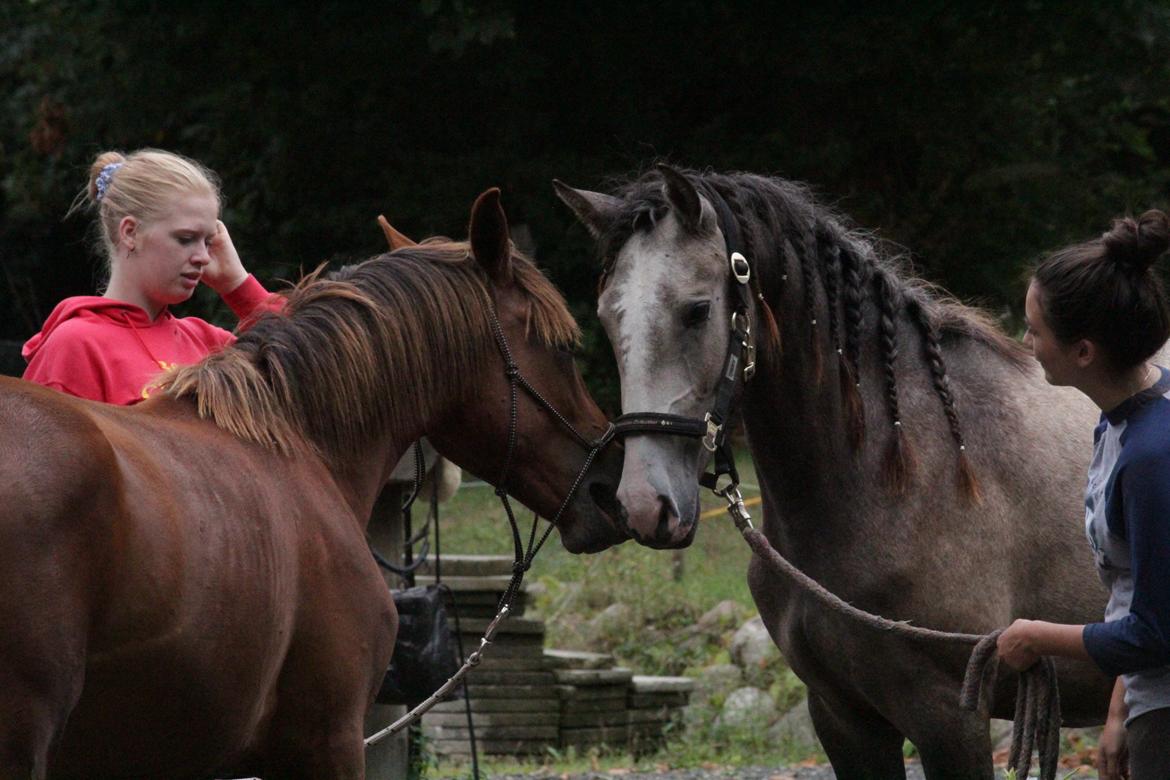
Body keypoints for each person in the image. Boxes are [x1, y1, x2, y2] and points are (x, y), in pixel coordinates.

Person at [998, 210, 1170, 779]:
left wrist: (1036, 635)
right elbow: (1144, 588)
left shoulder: (1151, 457)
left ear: (1084, 353)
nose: (1026, 343)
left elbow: (1155, 633)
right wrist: (1119, 710)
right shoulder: (1127, 418)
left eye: (1035, 330)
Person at [22, 148, 276, 404]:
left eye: (208, 241)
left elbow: (300, 372)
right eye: (186, 238)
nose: (204, 257)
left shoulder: (210, 343)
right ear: (130, 232)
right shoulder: (75, 346)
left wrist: (237, 284)